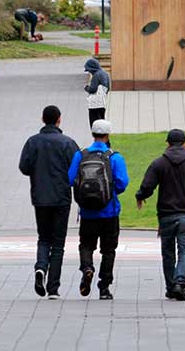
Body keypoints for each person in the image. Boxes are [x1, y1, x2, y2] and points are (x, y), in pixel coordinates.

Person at [135, 128, 185, 301]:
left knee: (168, 252)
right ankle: (180, 282)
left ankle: (171, 286)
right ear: (184, 143)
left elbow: (147, 186)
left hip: (166, 215)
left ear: (167, 143)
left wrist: (140, 196)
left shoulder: (159, 163)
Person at [18, 105, 80, 300]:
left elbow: (24, 167)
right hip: (61, 198)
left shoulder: (32, 142)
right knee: (59, 242)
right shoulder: (68, 143)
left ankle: (40, 268)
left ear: (42, 119)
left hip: (40, 198)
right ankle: (53, 287)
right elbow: (77, 169)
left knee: (43, 237)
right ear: (59, 119)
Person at [69, 119, 129, 300]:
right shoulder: (115, 157)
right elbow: (122, 183)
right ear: (108, 135)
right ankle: (104, 287)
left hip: (87, 212)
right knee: (108, 250)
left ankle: (87, 267)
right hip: (109, 212)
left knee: (86, 245)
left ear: (93, 134)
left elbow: (71, 178)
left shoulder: (80, 155)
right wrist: (109, 192)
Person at [84, 58, 110, 126]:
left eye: (89, 70)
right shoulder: (105, 74)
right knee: (102, 123)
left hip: (94, 105)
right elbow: (108, 88)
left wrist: (86, 88)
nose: (89, 72)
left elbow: (93, 89)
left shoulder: (96, 75)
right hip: (102, 103)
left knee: (95, 125)